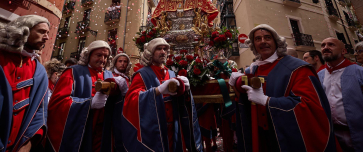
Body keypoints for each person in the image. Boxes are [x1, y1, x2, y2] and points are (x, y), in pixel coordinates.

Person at [229, 24, 335, 152]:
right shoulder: (253, 69)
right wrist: (238, 80)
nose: (263, 42)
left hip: (287, 139)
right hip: (262, 139)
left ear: (276, 42)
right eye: (258, 39)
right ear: (253, 45)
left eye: (267, 37)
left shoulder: (298, 68)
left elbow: (309, 106)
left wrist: (267, 101)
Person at [122, 38, 203, 151]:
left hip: (173, 128)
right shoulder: (141, 74)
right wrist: (157, 91)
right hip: (155, 130)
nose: (163, 52)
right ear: (150, 52)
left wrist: (186, 91)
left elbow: (180, 102)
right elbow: (131, 100)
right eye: (159, 49)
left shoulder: (171, 73)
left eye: (165, 49)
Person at [0, 15, 49, 151]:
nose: (47, 37)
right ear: (23, 30)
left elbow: (40, 114)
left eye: (48, 33)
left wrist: (26, 146)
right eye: (41, 31)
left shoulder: (40, 71)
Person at [47, 40, 116, 152]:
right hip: (81, 133)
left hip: (103, 134)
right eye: (98, 55)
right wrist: (89, 103)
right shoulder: (72, 72)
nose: (103, 60)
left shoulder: (109, 75)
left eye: (105, 56)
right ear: (88, 55)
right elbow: (58, 103)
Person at [318, 38, 363, 151]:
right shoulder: (319, 75)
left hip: (358, 133)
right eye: (323, 45)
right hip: (333, 135)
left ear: (344, 51)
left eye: (331, 45)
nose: (326, 47)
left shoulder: (359, 72)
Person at [102, 52, 131, 151]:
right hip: (112, 111)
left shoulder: (128, 78)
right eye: (120, 61)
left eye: (125, 61)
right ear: (115, 63)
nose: (122, 63)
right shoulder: (109, 75)